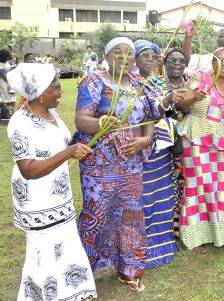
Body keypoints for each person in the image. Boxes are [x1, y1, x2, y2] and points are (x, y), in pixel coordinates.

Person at [74, 37, 162, 292]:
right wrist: (102, 124)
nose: (123, 57)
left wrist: (145, 139)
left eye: (129, 53)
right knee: (96, 213)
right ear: (107, 55)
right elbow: (81, 119)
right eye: (117, 52)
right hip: (99, 163)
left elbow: (151, 115)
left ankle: (128, 269)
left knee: (130, 215)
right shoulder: (94, 81)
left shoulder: (139, 83)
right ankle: (82, 271)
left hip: (131, 163)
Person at [7, 63, 97, 301]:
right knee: (44, 251)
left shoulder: (52, 114)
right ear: (40, 92)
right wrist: (69, 153)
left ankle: (75, 292)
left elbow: (62, 144)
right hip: (37, 198)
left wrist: (98, 129)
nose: (61, 91)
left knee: (66, 243)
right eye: (57, 87)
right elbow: (28, 170)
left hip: (59, 193)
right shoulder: (19, 123)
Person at [176, 47, 224, 254]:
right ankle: (196, 237)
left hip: (221, 142)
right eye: (219, 60)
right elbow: (181, 106)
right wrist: (194, 97)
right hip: (196, 137)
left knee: (220, 186)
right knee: (197, 183)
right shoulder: (201, 77)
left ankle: (220, 233)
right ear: (212, 63)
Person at [133, 39, 178, 268]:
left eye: (153, 56)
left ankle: (162, 246)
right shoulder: (129, 83)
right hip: (138, 148)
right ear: (134, 58)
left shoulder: (159, 82)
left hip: (162, 148)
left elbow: (167, 111)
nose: (149, 60)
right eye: (145, 55)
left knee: (162, 196)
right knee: (143, 197)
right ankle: (140, 248)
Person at [151, 47, 200, 239]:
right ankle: (166, 226)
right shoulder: (155, 82)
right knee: (165, 182)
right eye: (172, 60)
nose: (177, 64)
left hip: (187, 139)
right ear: (164, 63)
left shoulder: (192, 82)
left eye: (181, 60)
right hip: (161, 139)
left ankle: (183, 226)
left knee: (185, 182)